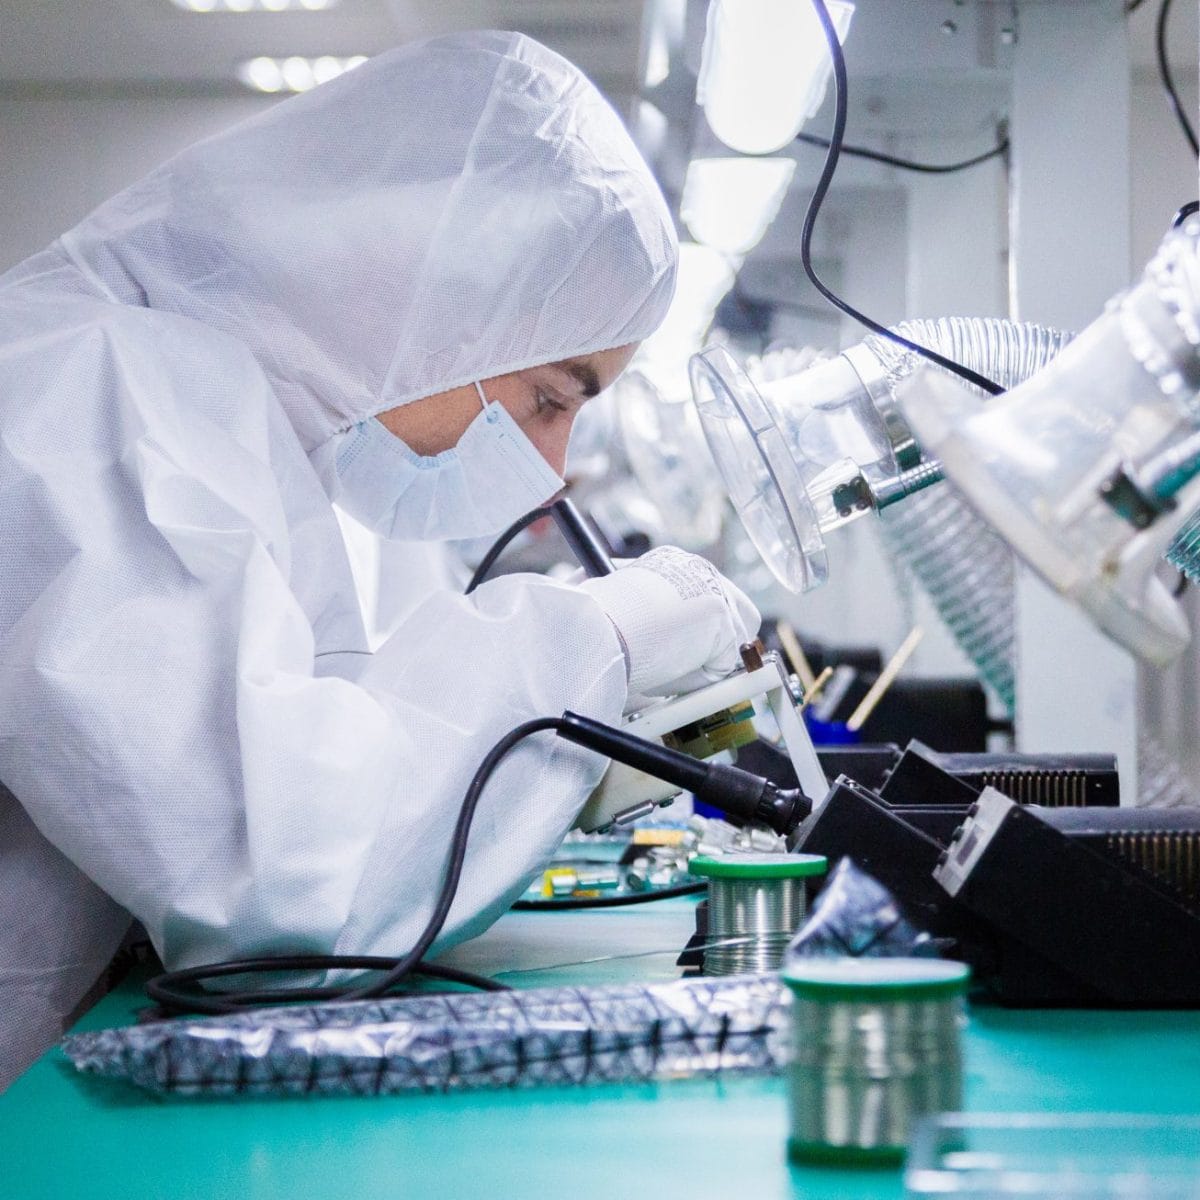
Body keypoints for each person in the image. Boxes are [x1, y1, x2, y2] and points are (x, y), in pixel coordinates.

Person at [0, 29, 759, 1088]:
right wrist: (593, 635)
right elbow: (286, 896)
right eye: (550, 397)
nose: (553, 466)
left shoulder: (223, 426)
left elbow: (303, 746)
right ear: (435, 293)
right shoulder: (95, 404)